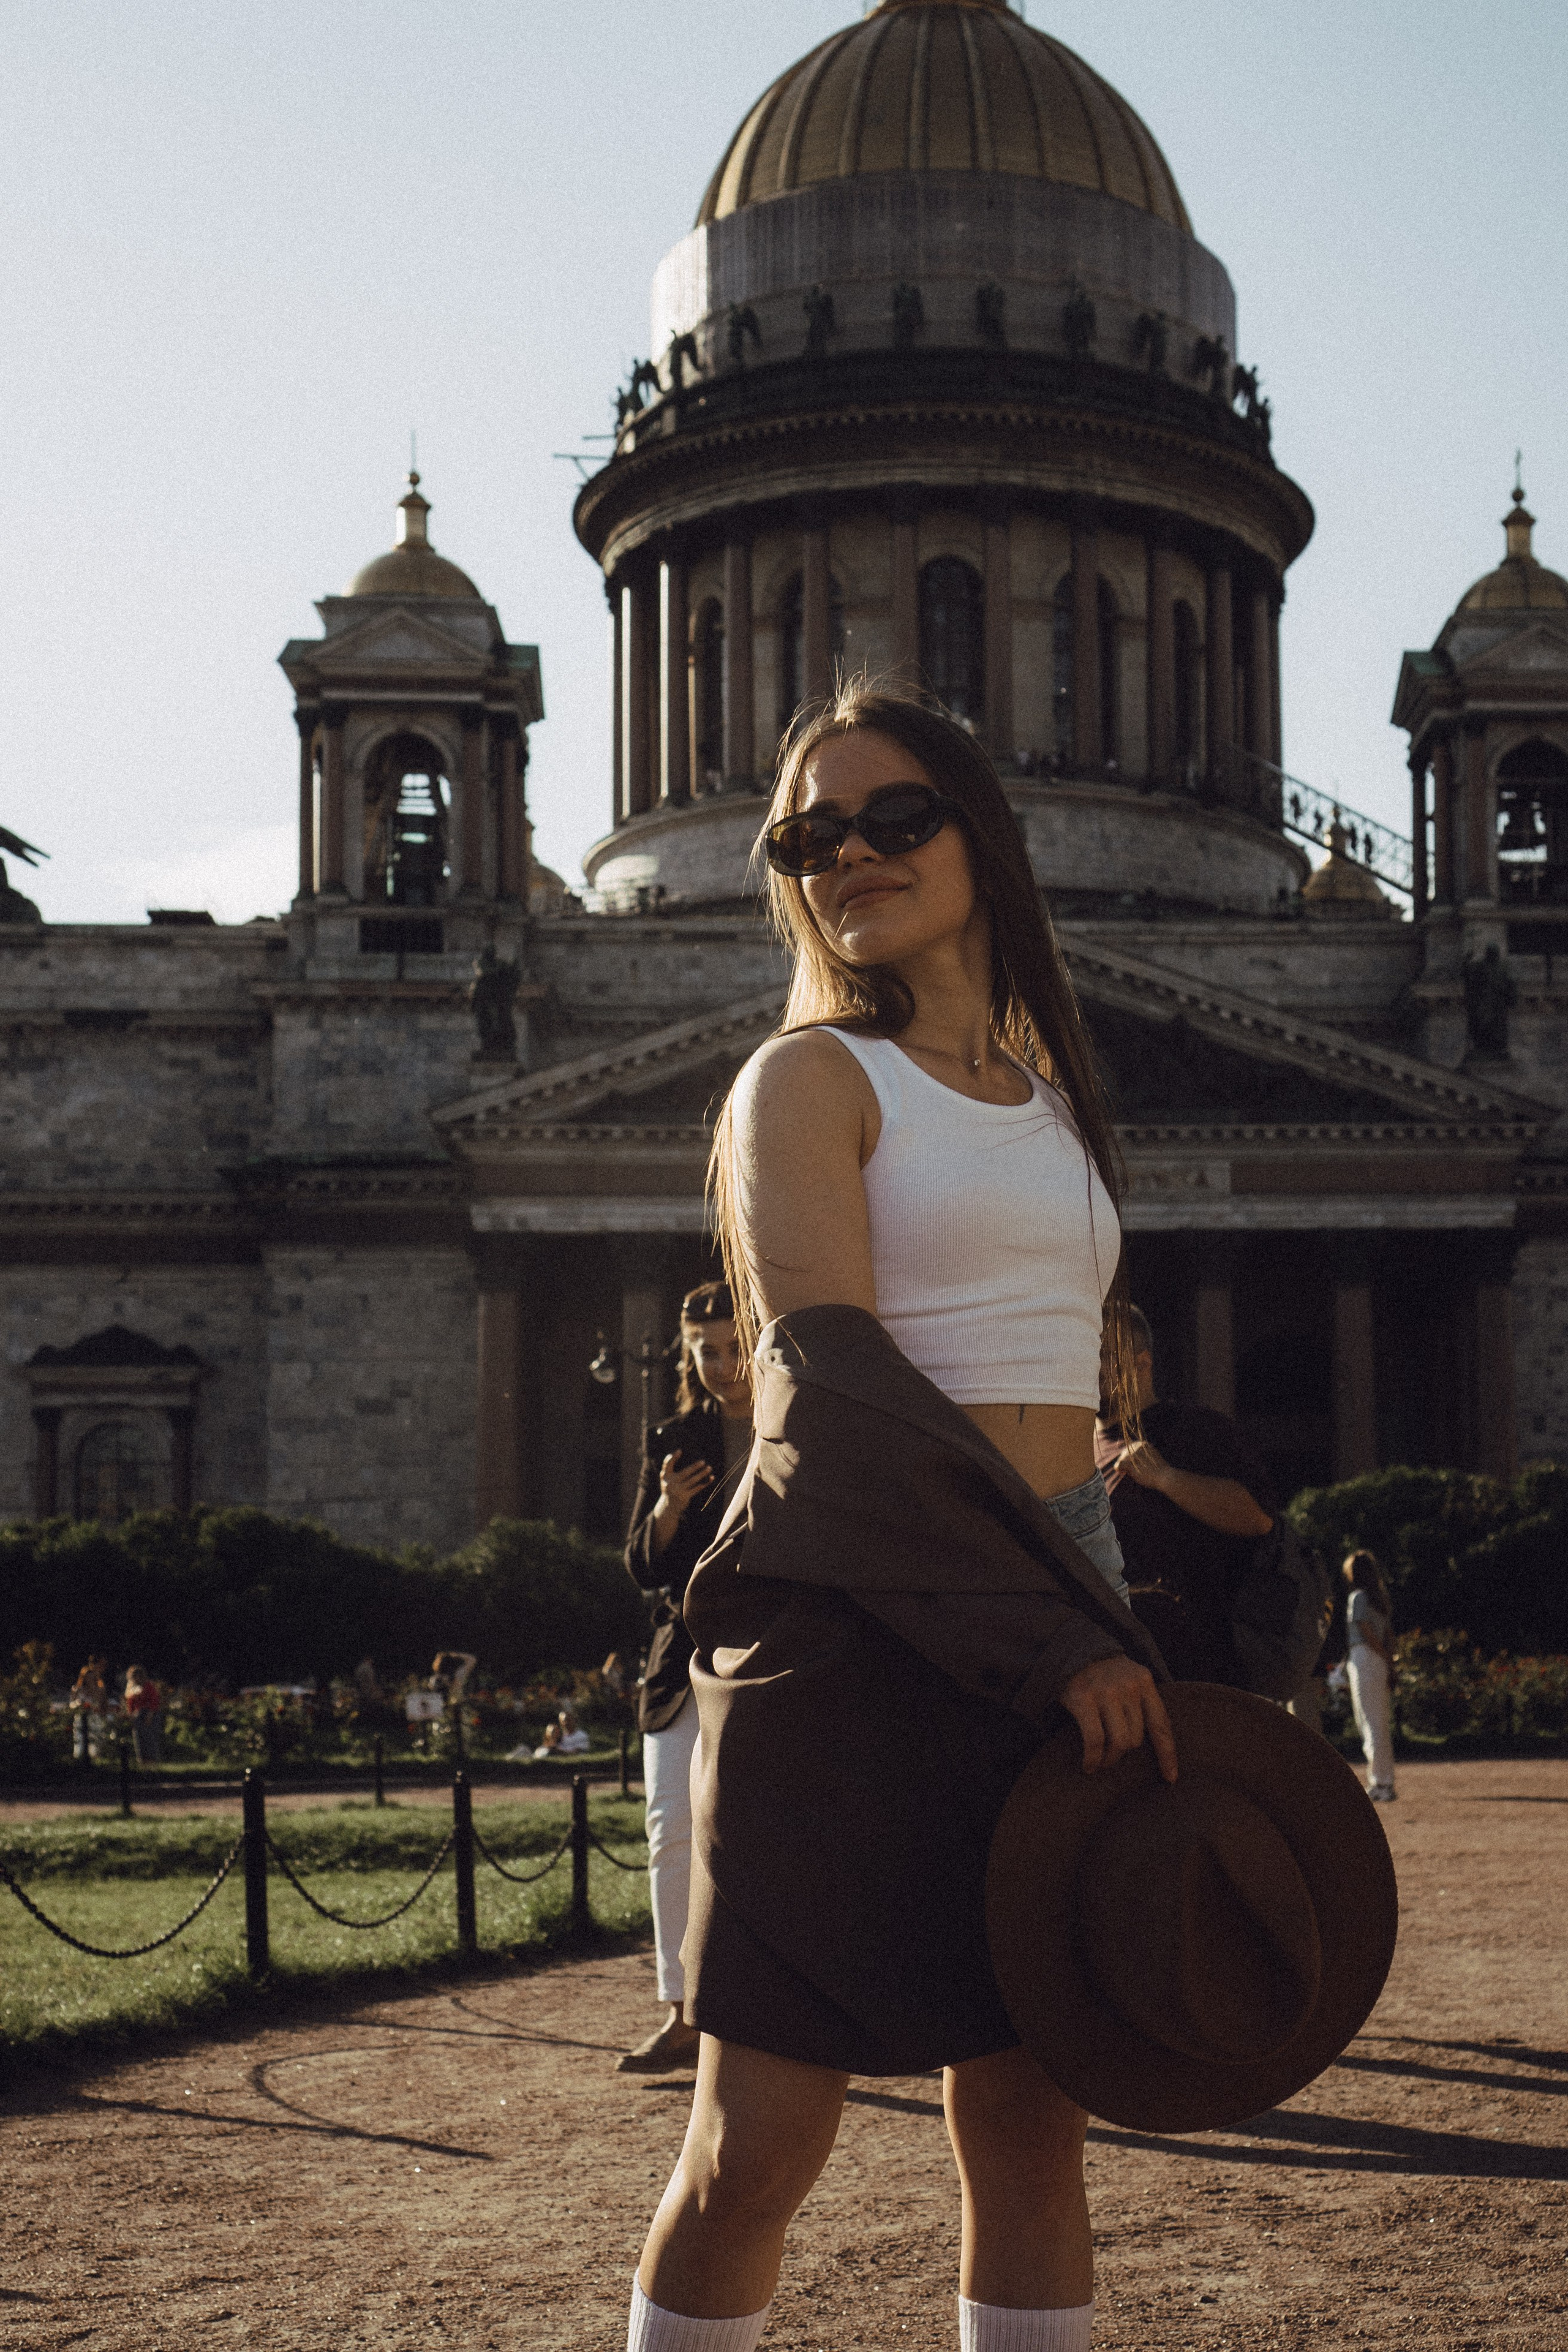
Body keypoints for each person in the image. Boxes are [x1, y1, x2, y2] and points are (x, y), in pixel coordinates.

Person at [623, 682, 1175, 2352]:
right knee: (759, 2147)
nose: (850, 856)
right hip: (859, 1623)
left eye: (895, 818)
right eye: (810, 836)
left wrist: (1103, 1605)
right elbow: (830, 1393)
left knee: (1027, 2121)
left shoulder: (1052, 1098)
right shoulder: (804, 1080)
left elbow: (1065, 1409)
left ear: (980, 837)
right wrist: (1045, 1633)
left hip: (1056, 1593)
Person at [618, 1281, 754, 2075]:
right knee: (670, 1828)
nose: (724, 1365)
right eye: (707, 1351)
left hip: (772, 1653)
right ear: (687, 1354)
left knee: (763, 1831)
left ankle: (765, 2008)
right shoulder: (673, 1436)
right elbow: (641, 1563)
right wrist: (667, 1506)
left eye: (736, 1347)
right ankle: (681, 2012)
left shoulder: (791, 1420)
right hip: (683, 1661)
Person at [1095, 1306, 1276, 1685]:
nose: (1088, 1367)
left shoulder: (1195, 1430)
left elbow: (1257, 1517)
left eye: (1104, 1355)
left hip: (1195, 1680)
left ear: (1142, 1364)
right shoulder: (1072, 1449)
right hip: (1112, 1674)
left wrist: (1166, 1477)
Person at [1344, 1548, 1396, 1801]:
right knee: (1379, 1721)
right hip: (1378, 1661)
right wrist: (1389, 1661)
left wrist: (1382, 1655)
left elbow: (1365, 1630)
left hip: (1363, 1657)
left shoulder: (1358, 1598)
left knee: (1368, 1721)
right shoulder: (1380, 1599)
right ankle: (1384, 1780)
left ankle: (1380, 1783)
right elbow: (1388, 1635)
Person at [69, 1656, 107, 1763]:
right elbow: (71, 1704)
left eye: (93, 1677)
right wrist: (78, 1704)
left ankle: (95, 1759)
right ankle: (79, 1759)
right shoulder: (77, 1689)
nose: (90, 1680)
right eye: (88, 1677)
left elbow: (103, 1704)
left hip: (95, 1717)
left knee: (95, 1738)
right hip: (81, 1717)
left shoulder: (100, 1689)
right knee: (80, 1738)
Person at [123, 1665, 162, 1764]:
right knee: (138, 1737)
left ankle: (152, 1760)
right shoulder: (131, 1689)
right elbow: (130, 1704)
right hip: (137, 1716)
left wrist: (150, 1715)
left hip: (150, 1714)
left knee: (150, 1737)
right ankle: (142, 1760)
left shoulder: (148, 1686)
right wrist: (130, 1715)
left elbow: (154, 1701)